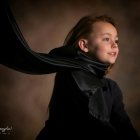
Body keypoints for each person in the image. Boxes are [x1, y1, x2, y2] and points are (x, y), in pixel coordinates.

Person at [35, 15, 140, 140]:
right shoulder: (70, 75)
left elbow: (125, 128)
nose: (114, 45)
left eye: (116, 41)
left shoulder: (112, 87)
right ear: (84, 45)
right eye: (106, 39)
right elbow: (94, 124)